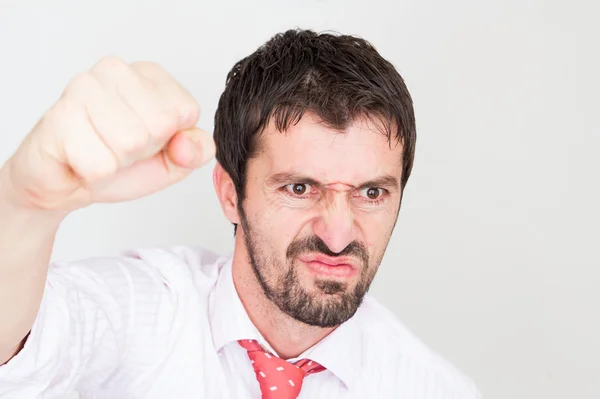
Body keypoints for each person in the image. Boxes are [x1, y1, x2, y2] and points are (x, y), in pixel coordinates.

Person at [0, 29, 480, 398]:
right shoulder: (148, 313)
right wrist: (24, 206)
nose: (337, 234)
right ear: (231, 193)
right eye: (299, 187)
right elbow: (19, 346)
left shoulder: (431, 388)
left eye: (371, 193)